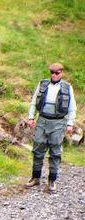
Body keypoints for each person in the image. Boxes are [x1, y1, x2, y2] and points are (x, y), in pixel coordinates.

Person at [26, 62, 77, 194]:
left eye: (57, 73)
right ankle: (35, 177)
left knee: (55, 152)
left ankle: (52, 181)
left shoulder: (67, 87)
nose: (54, 75)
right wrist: (31, 117)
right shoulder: (42, 84)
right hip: (42, 120)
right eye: (52, 72)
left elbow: (72, 108)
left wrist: (70, 124)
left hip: (58, 123)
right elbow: (33, 102)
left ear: (62, 73)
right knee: (37, 148)